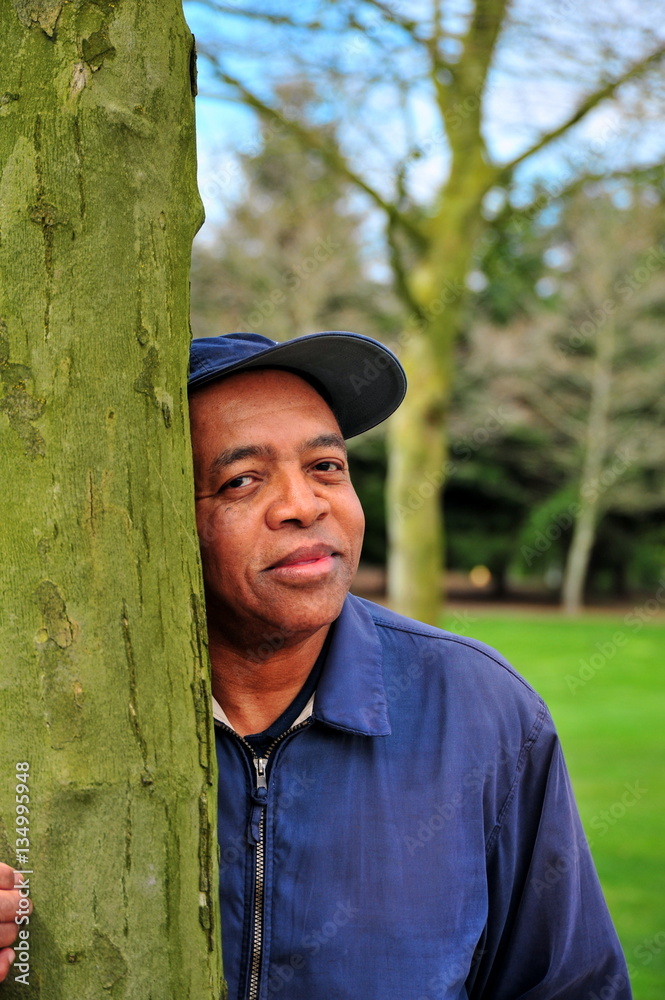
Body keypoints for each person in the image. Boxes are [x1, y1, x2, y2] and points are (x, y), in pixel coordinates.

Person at [0, 331, 632, 1000]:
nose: (304, 505)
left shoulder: (482, 711)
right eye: (240, 480)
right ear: (156, 520)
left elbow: (573, 987)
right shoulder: (47, 719)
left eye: (325, 466)